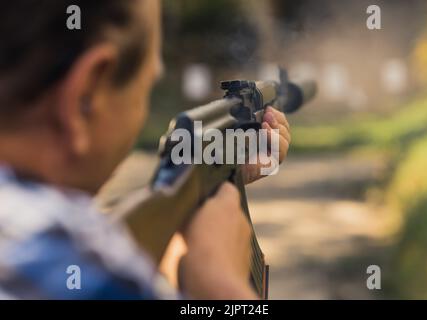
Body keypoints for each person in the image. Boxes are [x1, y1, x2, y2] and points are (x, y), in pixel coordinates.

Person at [0, 0, 291, 299]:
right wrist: (220, 285)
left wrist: (221, 176)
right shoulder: (91, 273)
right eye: (146, 86)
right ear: (85, 97)